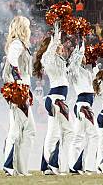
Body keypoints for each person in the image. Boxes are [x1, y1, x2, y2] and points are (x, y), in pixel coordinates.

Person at [34, 24, 73, 175]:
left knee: (55, 132)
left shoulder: (57, 59)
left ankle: (47, 166)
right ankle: (53, 164)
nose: (61, 45)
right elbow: (53, 46)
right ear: (52, 45)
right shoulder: (47, 58)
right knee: (61, 132)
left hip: (57, 98)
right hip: (55, 98)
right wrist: (57, 31)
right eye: (58, 44)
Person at [2, 16, 35, 176]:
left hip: (23, 89)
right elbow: (12, 60)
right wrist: (19, 82)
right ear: (23, 28)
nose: (30, 29)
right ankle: (9, 166)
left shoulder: (21, 45)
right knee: (16, 129)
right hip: (19, 90)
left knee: (28, 130)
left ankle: (20, 168)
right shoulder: (17, 44)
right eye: (27, 26)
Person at [68, 39, 98, 174]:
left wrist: (95, 64)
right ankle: (87, 166)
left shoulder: (86, 72)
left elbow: (97, 81)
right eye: (83, 56)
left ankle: (74, 165)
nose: (85, 57)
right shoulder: (75, 70)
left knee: (79, 136)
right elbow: (75, 60)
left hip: (86, 105)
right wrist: (81, 43)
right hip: (82, 104)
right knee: (92, 135)